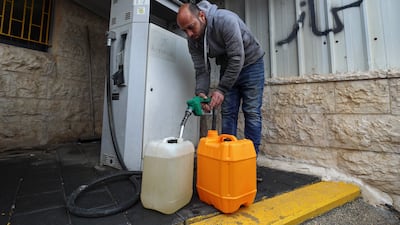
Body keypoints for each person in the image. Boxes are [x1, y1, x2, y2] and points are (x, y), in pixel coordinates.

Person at [177, 1, 265, 155]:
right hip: (228, 68)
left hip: (251, 64)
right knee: (228, 113)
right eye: (185, 30)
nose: (189, 34)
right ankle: (227, 157)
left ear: (202, 16)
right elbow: (201, 68)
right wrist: (201, 92)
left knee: (251, 112)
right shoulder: (192, 40)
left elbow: (237, 57)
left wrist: (221, 89)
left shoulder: (225, 20)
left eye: (191, 27)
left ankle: (250, 160)